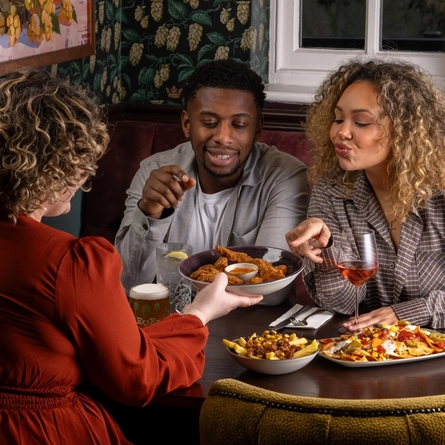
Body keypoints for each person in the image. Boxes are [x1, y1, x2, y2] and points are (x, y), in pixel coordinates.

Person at [0, 68, 263, 444]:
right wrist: (199, 314)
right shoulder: (70, 262)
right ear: (54, 166)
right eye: (81, 162)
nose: (84, 175)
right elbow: (137, 379)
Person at [115, 59, 310, 293]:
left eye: (239, 125)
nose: (223, 137)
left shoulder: (285, 177)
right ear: (187, 123)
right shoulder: (153, 171)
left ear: (257, 129)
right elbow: (128, 283)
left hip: (248, 326)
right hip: (169, 322)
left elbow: (270, 288)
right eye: (209, 122)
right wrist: (151, 214)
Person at [285, 58, 445, 331]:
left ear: (403, 131)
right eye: (338, 119)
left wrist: (406, 313)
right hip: (369, 353)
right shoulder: (331, 191)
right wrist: (327, 250)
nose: (341, 132)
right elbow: (343, 304)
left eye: (361, 122)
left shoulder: (440, 192)